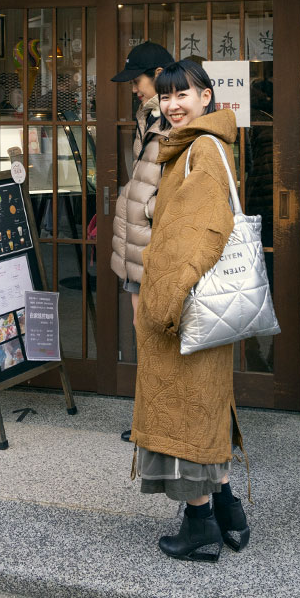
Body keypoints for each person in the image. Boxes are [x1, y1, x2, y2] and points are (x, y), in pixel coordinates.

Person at [131, 58, 250, 562]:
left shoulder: (201, 147)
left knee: (185, 411)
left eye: (184, 94)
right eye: (166, 95)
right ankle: (227, 510)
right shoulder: (201, 145)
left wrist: (166, 299)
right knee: (205, 405)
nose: (172, 104)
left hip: (185, 306)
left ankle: (199, 523)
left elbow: (202, 232)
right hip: (198, 305)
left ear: (207, 98)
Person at [110, 41, 175, 442]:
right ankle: (150, 416)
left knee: (153, 330)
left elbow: (172, 184)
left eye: (137, 80)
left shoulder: (170, 120)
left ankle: (158, 419)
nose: (134, 88)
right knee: (143, 327)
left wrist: (146, 209)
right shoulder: (149, 116)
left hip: (154, 241)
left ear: (158, 75)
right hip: (139, 240)